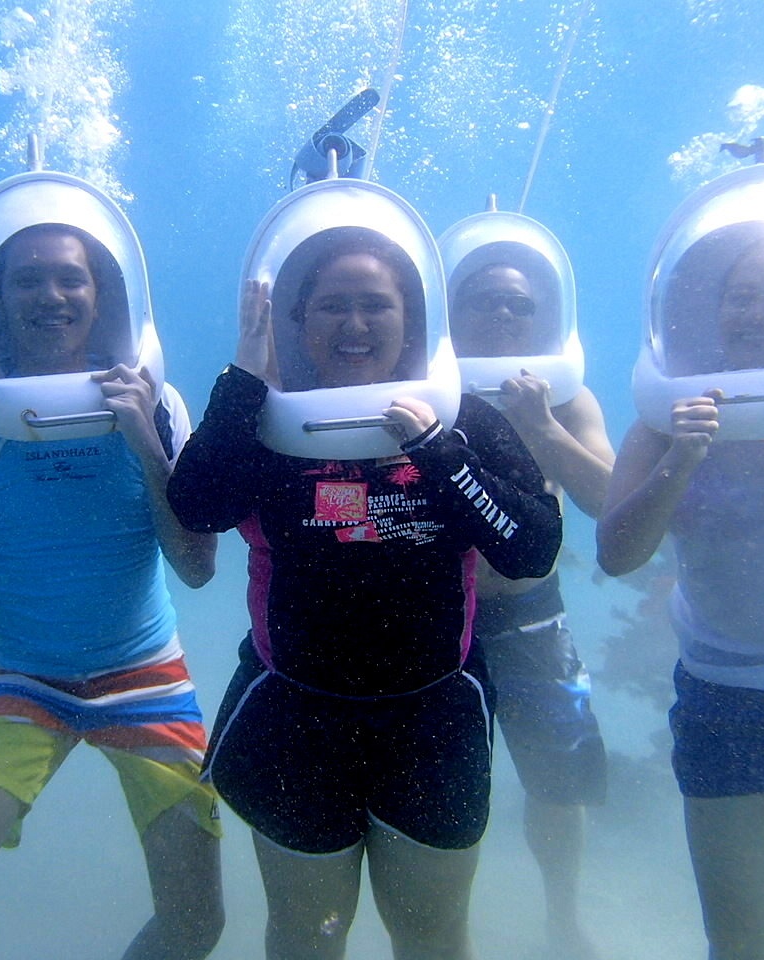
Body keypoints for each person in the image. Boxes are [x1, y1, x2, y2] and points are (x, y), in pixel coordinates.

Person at [167, 230, 563, 960]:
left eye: (376, 305)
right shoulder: (261, 420)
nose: (355, 325)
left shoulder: (463, 421)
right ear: (298, 320)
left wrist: (442, 458)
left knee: (432, 936)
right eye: (331, 307)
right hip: (294, 714)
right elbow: (196, 506)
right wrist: (245, 377)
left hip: (434, 718)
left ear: (413, 318)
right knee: (307, 935)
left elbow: (533, 548)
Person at [0, 222, 224, 960]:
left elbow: (196, 568)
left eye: (71, 278)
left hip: (148, 675)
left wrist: (148, 449)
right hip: (23, 680)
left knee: (198, 924)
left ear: (102, 295)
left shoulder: (157, 406)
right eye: (26, 279)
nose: (50, 296)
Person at [597, 235, 764, 960]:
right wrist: (681, 458)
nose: (758, 312)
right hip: (726, 699)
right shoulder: (670, 411)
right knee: (741, 945)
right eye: (742, 295)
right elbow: (616, 554)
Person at [451, 262, 613, 959]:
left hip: (530, 614)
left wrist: (538, 424)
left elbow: (608, 501)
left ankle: (562, 915)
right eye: (483, 302)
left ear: (545, 316)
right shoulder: (426, 388)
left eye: (518, 303)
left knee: (558, 782)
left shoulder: (567, 399)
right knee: (445, 788)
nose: (503, 316)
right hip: (436, 620)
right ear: (450, 313)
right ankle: (445, 923)